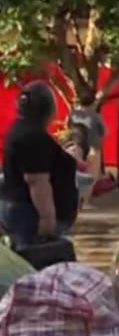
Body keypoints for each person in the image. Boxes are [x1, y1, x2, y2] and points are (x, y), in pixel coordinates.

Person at [1, 82, 80, 251]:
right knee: (35, 261)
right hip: (30, 214)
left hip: (22, 210)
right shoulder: (33, 137)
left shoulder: (22, 131)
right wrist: (47, 219)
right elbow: (36, 180)